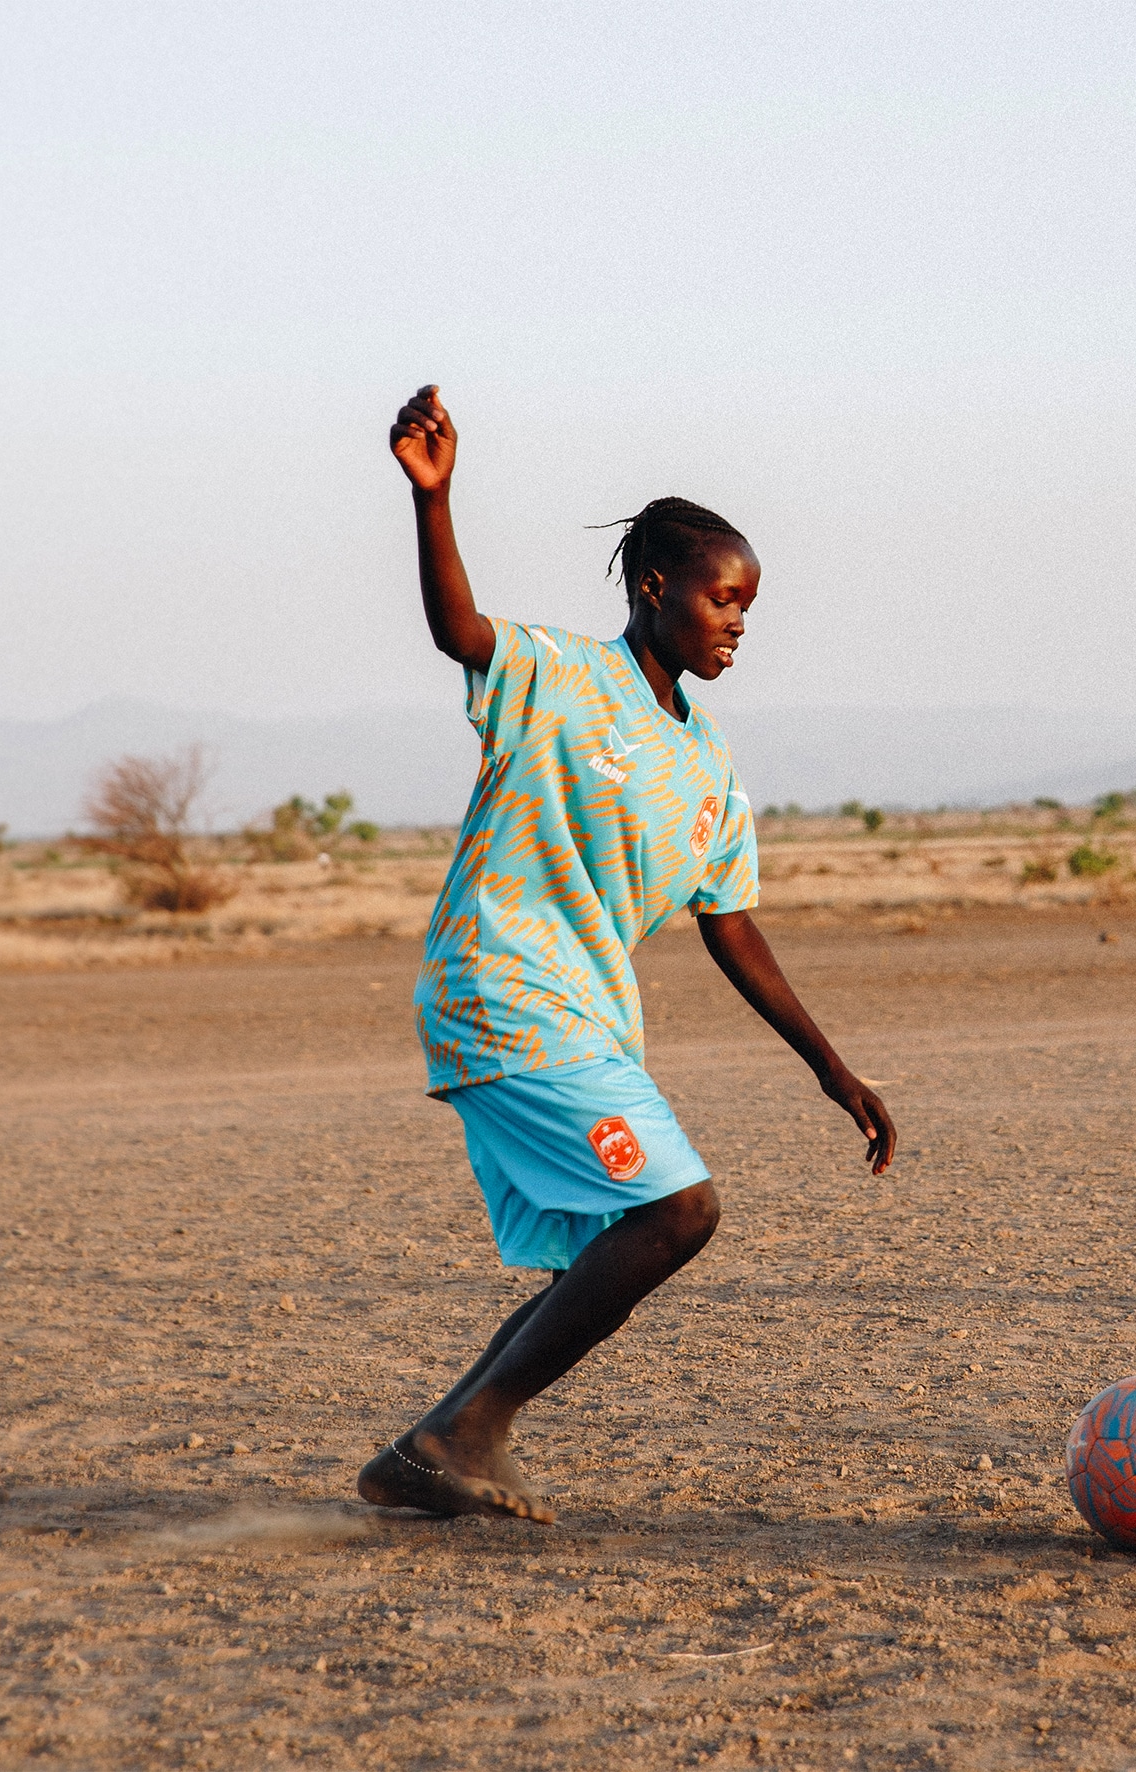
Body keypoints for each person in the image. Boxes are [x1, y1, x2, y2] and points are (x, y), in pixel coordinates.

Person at [359, 384, 896, 1523]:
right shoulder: (557, 679)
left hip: (584, 1019)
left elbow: (731, 920)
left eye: (750, 605)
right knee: (678, 1212)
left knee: (610, 1246)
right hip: (499, 988)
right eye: (723, 596)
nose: (739, 620)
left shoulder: (709, 768)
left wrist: (833, 1069)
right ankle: (468, 1426)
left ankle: (434, 1445)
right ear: (656, 589)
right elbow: (460, 630)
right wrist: (436, 501)